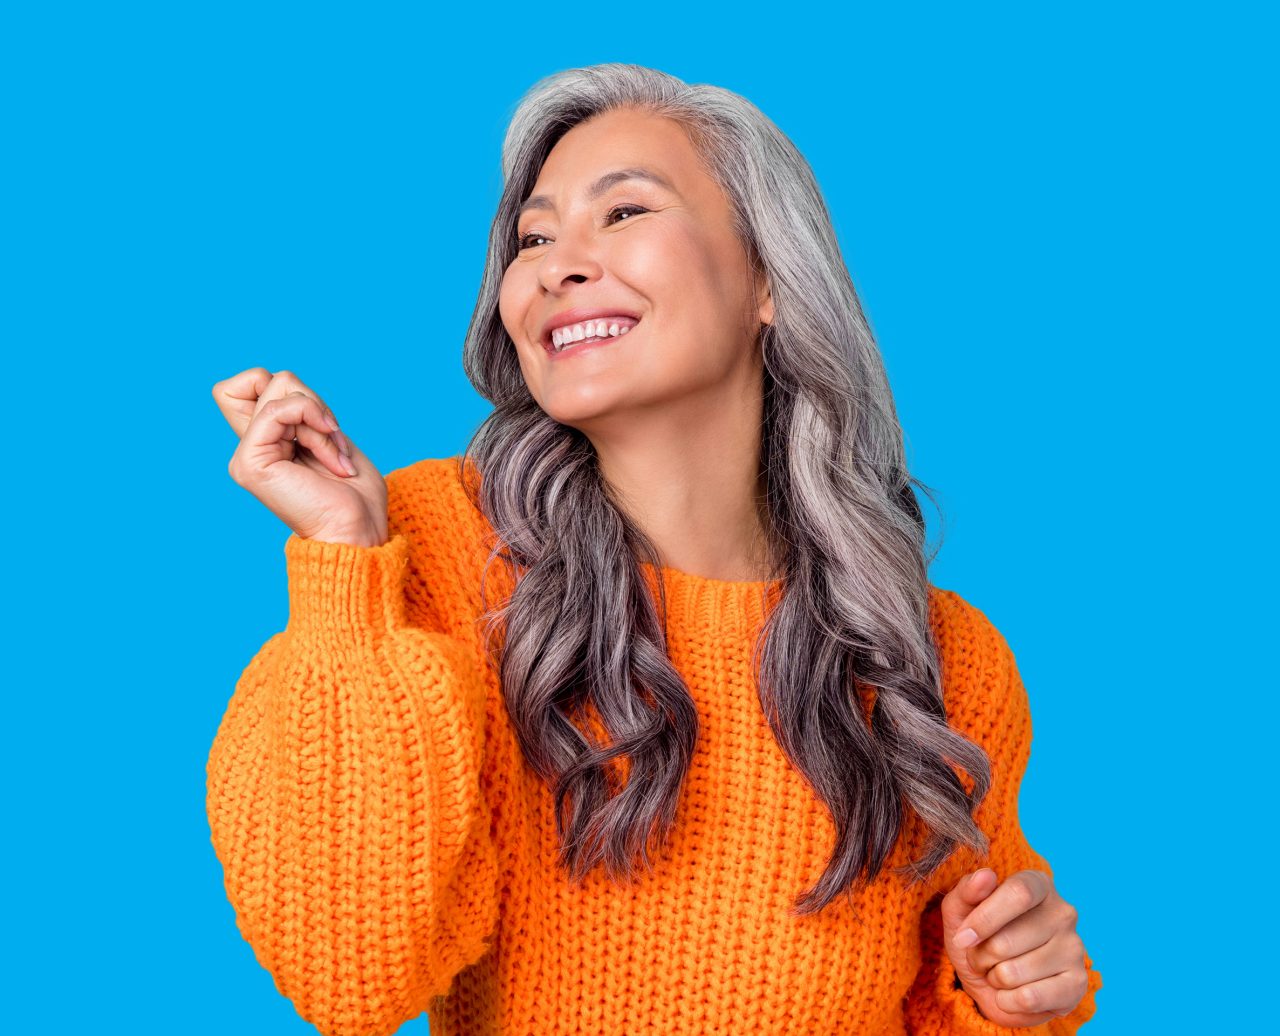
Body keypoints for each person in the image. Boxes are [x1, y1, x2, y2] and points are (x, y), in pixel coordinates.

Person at [207, 63, 1103, 1035]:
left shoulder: (934, 657)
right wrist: (344, 567)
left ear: (767, 276)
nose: (555, 265)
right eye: (533, 238)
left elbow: (965, 989)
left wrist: (1009, 999)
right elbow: (349, 977)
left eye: (623, 211)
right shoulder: (439, 549)